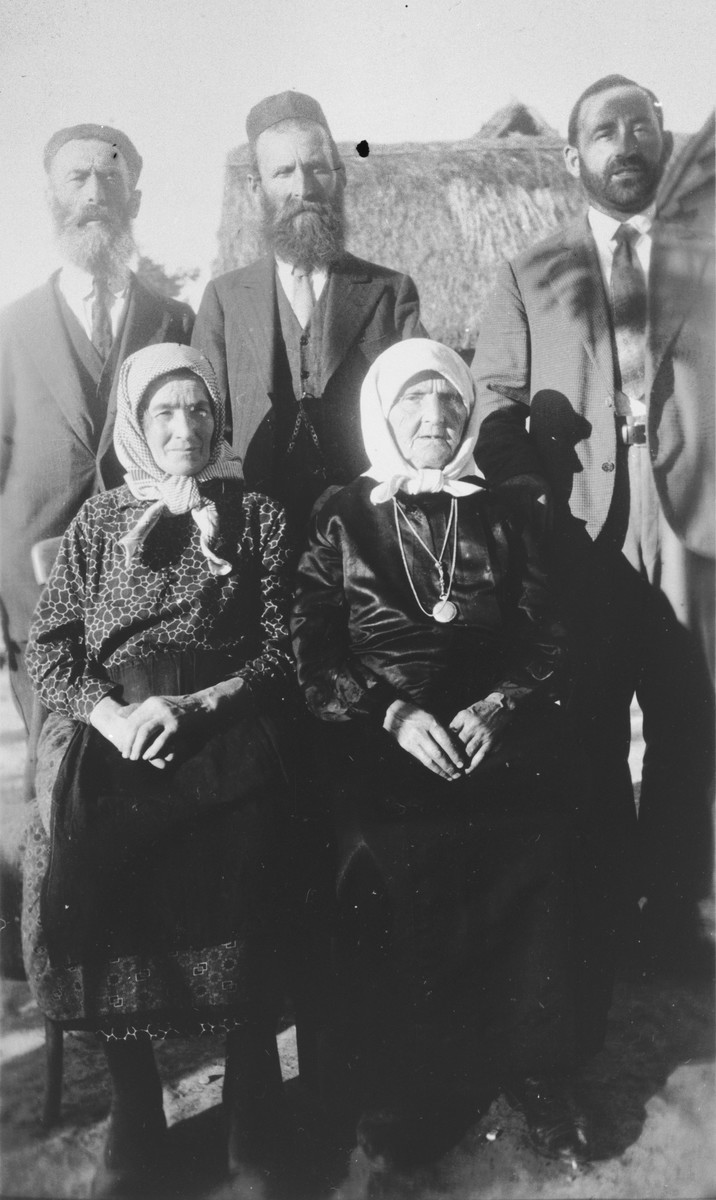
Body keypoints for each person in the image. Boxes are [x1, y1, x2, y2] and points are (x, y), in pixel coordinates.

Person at [291, 339, 603, 1174]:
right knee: (389, 859)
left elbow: (550, 635)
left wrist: (498, 709)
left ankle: (538, 1070)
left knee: (536, 840)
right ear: (381, 415)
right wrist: (391, 715)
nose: (434, 420)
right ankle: (409, 1080)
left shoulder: (504, 510)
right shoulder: (339, 513)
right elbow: (313, 650)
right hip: (376, 738)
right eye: (413, 404)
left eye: (450, 405)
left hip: (489, 732)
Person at [23, 344, 296, 1196]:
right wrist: (109, 717)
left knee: (249, 842)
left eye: (200, 411)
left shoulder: (255, 513)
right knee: (94, 853)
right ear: (136, 427)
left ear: (220, 419)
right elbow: (52, 650)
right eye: (165, 414)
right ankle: (137, 1109)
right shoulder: (101, 524)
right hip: (120, 725)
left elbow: (286, 649)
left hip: (226, 712)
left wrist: (204, 705)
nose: (186, 429)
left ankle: (252, 1100)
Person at [471, 76, 714, 970]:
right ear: (574, 159)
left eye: (641, 127)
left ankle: (677, 912)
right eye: (605, 133)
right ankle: (610, 906)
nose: (626, 145)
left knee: (690, 709)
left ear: (665, 139)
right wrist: (535, 503)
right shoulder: (529, 270)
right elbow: (492, 402)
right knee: (591, 715)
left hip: (695, 517)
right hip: (583, 521)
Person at [0, 123, 194, 733]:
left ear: (134, 200)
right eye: (76, 178)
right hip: (36, 597)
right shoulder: (10, 327)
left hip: (151, 594)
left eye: (110, 176)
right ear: (53, 199)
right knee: (55, 784)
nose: (93, 192)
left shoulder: (175, 319)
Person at [192, 90, 426, 539]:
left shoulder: (390, 293)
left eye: (317, 167)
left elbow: (423, 409)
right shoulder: (223, 299)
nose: (304, 188)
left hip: (366, 532)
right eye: (283, 172)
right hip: (255, 535)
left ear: (340, 177)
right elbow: (208, 428)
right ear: (256, 187)